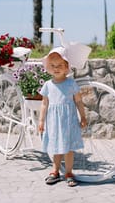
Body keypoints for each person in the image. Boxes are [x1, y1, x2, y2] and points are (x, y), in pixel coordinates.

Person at [38, 46, 87, 187]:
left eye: (60, 65)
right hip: (53, 123)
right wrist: (41, 121)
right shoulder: (48, 85)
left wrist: (83, 117)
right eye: (52, 66)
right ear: (48, 68)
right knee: (55, 147)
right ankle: (55, 171)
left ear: (66, 67)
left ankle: (69, 172)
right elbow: (44, 104)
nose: (56, 68)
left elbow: (78, 101)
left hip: (68, 123)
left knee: (68, 148)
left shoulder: (71, 83)